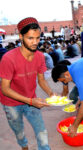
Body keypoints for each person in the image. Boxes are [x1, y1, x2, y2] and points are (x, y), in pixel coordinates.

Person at [0, 17, 53, 150]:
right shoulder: (8, 59)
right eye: (30, 38)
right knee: (19, 132)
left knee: (42, 132)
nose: (35, 42)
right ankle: (24, 146)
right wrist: (30, 101)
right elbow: (5, 89)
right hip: (11, 103)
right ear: (21, 36)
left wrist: (51, 93)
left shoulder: (40, 56)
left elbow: (41, 80)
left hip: (31, 99)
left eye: (38, 38)